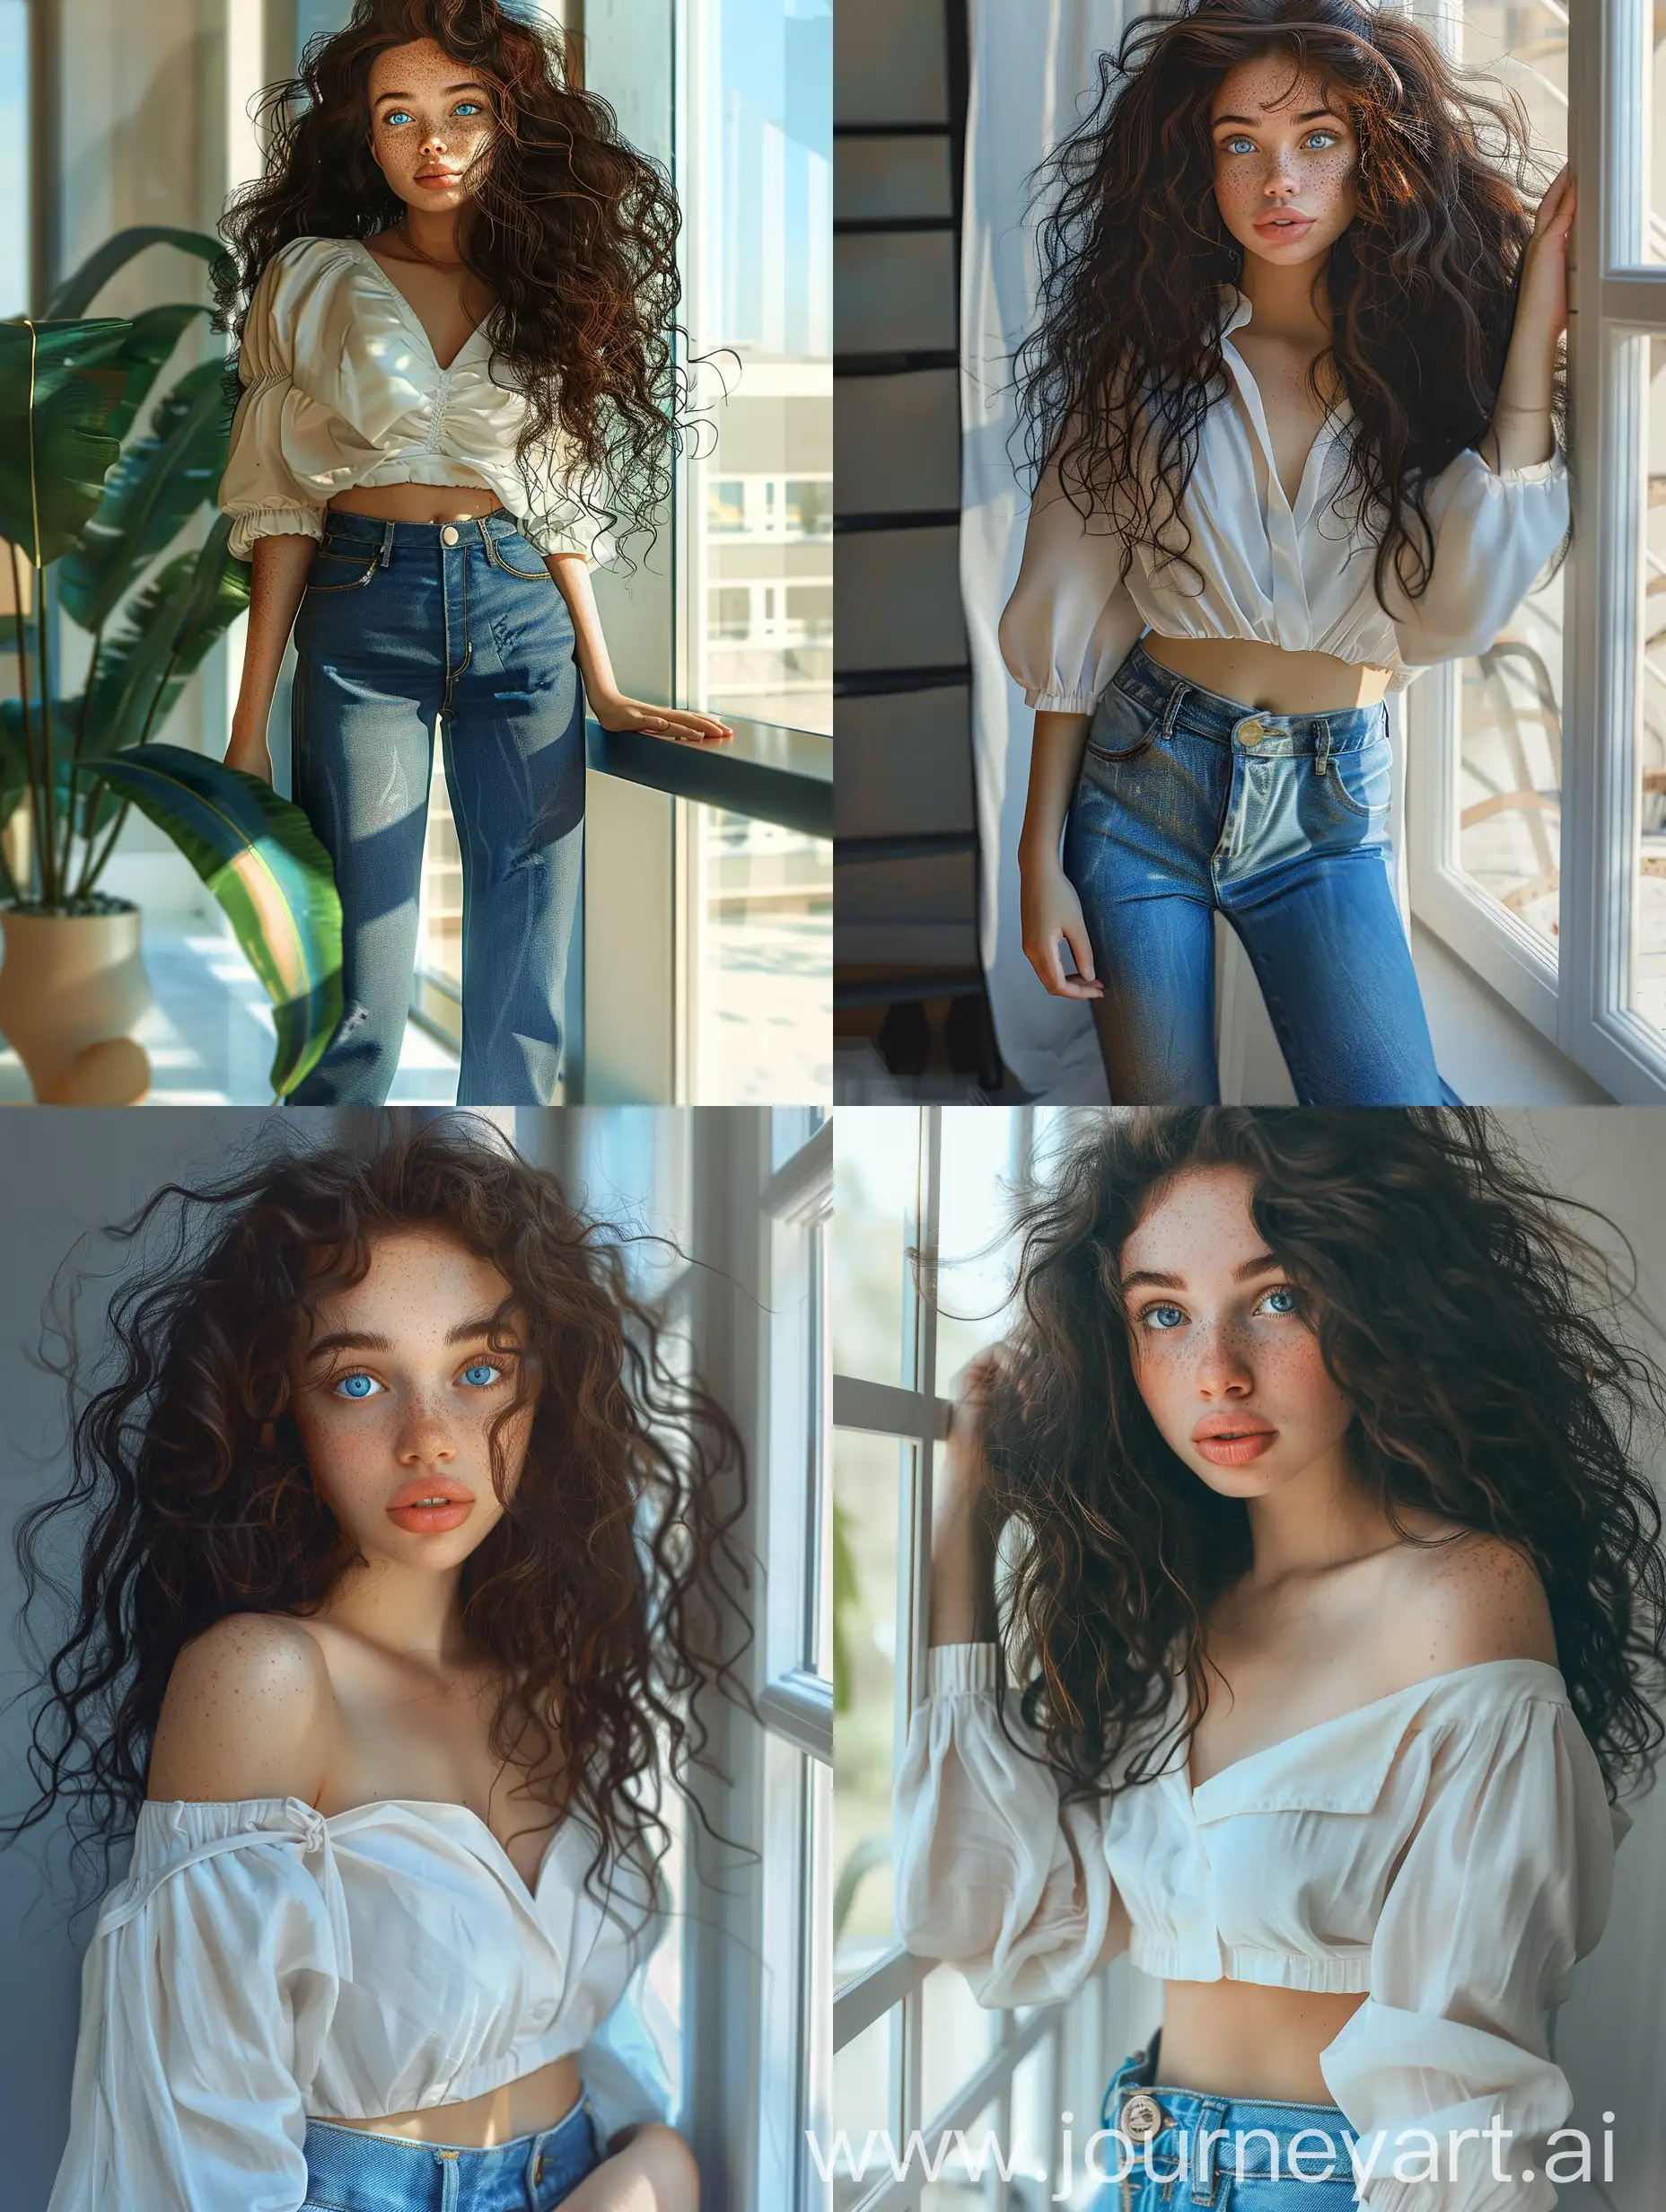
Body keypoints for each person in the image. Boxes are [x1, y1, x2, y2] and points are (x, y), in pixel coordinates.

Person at [895, 1109, 1666, 2211]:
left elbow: (1458, 2116)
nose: (1216, 1372)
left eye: (1273, 1297)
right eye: (1161, 1314)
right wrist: (965, 1521)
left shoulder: (1458, 1598)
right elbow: (983, 1921)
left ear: (1370, 1302)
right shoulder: (1169, 1618)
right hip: (1134, 2167)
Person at [8, 1118, 755, 2212]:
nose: (431, 1437)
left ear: (540, 1392)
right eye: (360, 1382)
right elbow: (185, 2172)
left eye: (479, 1368)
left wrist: (653, 2167)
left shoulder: (548, 1668)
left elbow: (556, 2025)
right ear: (283, 1415)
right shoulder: (265, 1682)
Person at [1004, 0, 1574, 1103]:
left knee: (1393, 1118)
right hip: (1138, 785)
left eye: (1316, 139)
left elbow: (1453, 609)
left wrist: (1534, 323)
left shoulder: (1427, 358)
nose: (1279, 182)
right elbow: (1070, 602)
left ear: (1371, 156)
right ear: (1197, 170)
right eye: (1240, 146)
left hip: (1327, 801)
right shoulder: (1144, 363)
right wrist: (1038, 861)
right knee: (1161, 1130)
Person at [215, 0, 733, 1107]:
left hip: (519, 615)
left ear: (509, 123)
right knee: (360, 980)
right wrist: (247, 725)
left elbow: (559, 506)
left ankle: (503, 1195)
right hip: (363, 611)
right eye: (398, 117)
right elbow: (279, 506)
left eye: (462, 110)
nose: (432, 143)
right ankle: (325, 1212)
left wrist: (603, 681)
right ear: (365, 135)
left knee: (526, 984)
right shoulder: (311, 278)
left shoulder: (551, 292)